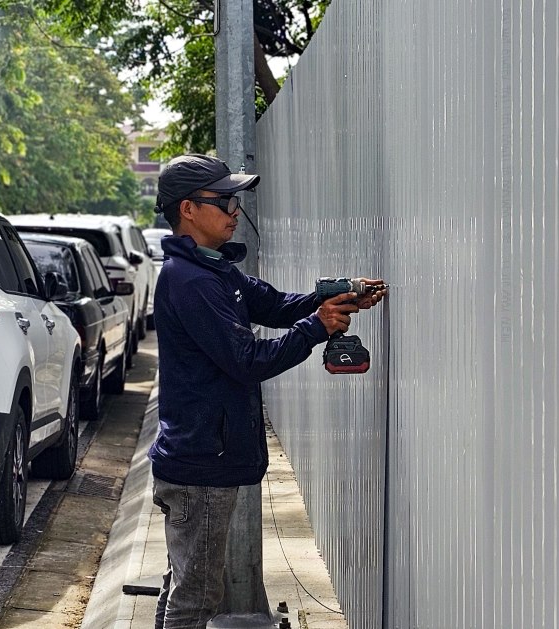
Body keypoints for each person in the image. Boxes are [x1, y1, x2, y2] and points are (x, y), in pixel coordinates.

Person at [149, 153, 386, 629]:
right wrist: (316, 327)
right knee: (195, 600)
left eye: (235, 200)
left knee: (188, 584)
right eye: (223, 201)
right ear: (188, 210)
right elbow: (248, 361)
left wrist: (331, 299)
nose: (235, 211)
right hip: (201, 465)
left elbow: (276, 305)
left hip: (202, 458)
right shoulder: (191, 281)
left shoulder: (214, 270)